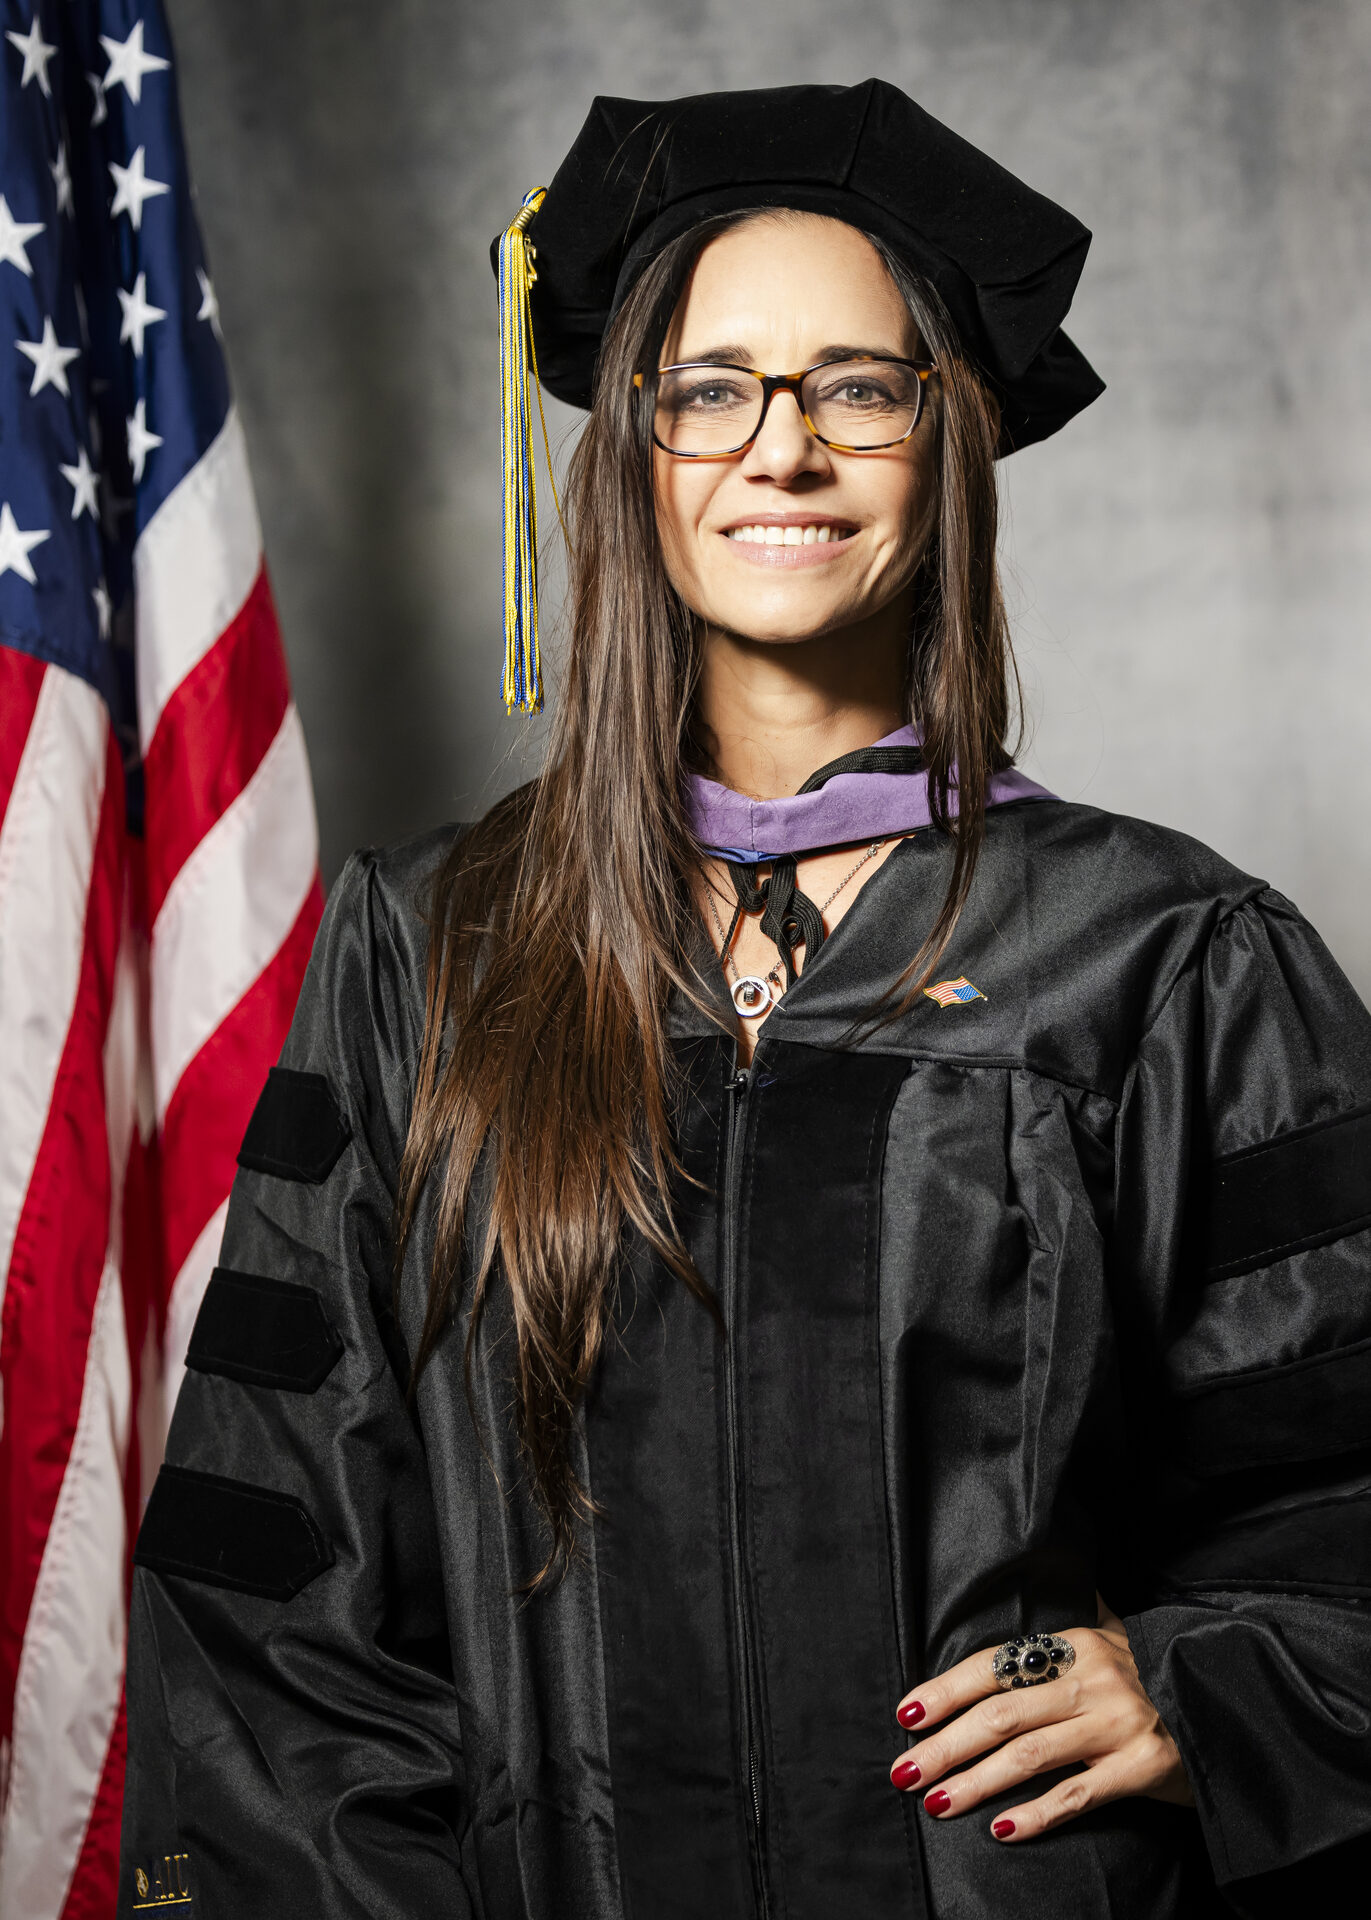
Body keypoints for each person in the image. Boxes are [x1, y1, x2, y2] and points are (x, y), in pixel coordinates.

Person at [119, 80, 1371, 1919]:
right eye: (709, 391)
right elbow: (279, 1601)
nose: (781, 450)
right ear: (632, 451)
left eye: (859, 387)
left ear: (952, 442)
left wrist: (1197, 1687)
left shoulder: (1165, 957)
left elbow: (1336, 1501)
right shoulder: (434, 951)